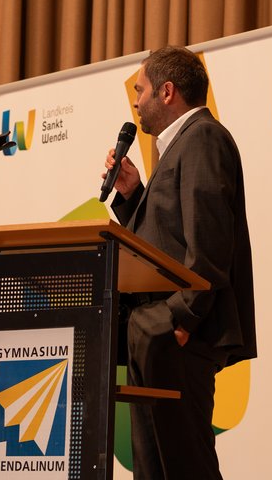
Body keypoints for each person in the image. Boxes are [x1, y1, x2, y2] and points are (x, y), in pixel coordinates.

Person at [103, 45, 257, 479]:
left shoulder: (203, 138)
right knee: (155, 468)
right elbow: (166, 241)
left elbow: (210, 242)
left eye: (141, 90)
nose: (136, 102)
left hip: (176, 332)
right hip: (156, 332)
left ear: (167, 92)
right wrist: (133, 196)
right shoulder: (179, 146)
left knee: (185, 467)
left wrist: (183, 319)